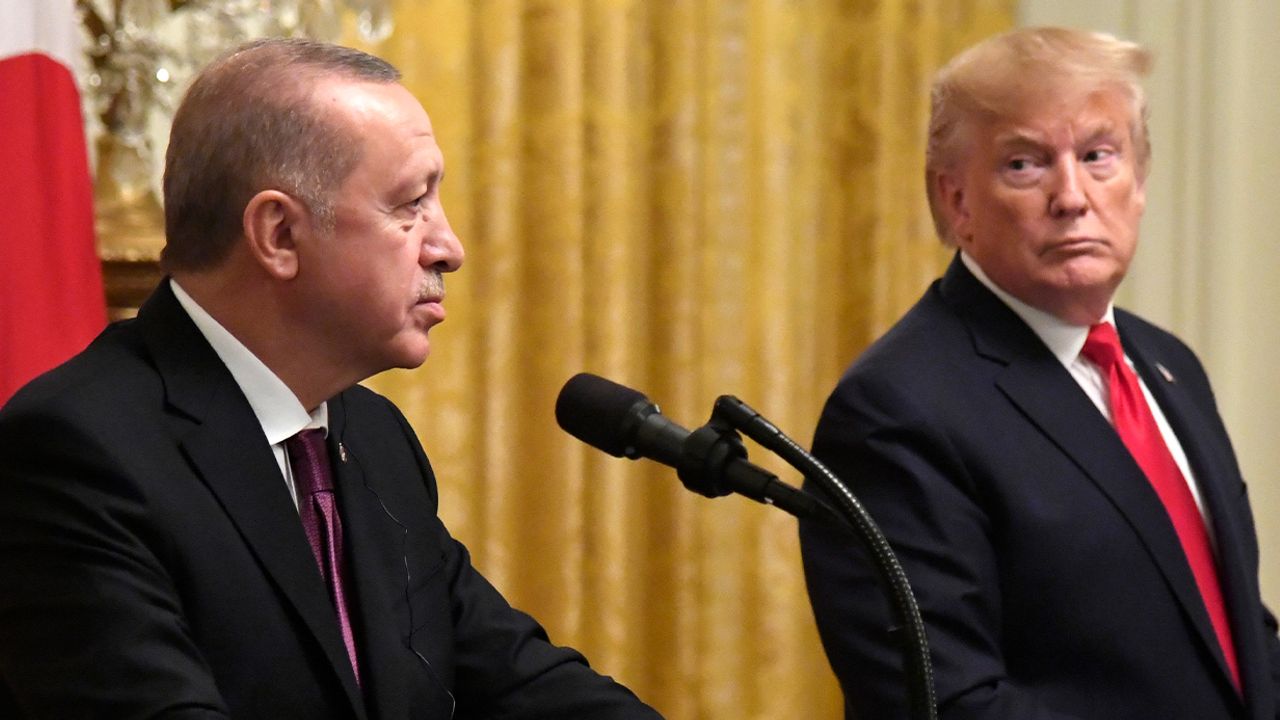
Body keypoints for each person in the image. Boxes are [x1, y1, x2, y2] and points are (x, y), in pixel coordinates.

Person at [0, 38, 661, 719]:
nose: (449, 248)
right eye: (411, 204)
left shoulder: (370, 436)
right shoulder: (75, 452)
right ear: (279, 234)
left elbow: (519, 681)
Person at [799, 27, 1280, 719]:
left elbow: (1231, 638)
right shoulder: (895, 410)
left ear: (1140, 182)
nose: (1072, 196)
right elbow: (950, 703)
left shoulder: (1170, 364)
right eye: (1025, 164)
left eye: (1098, 156)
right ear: (957, 201)